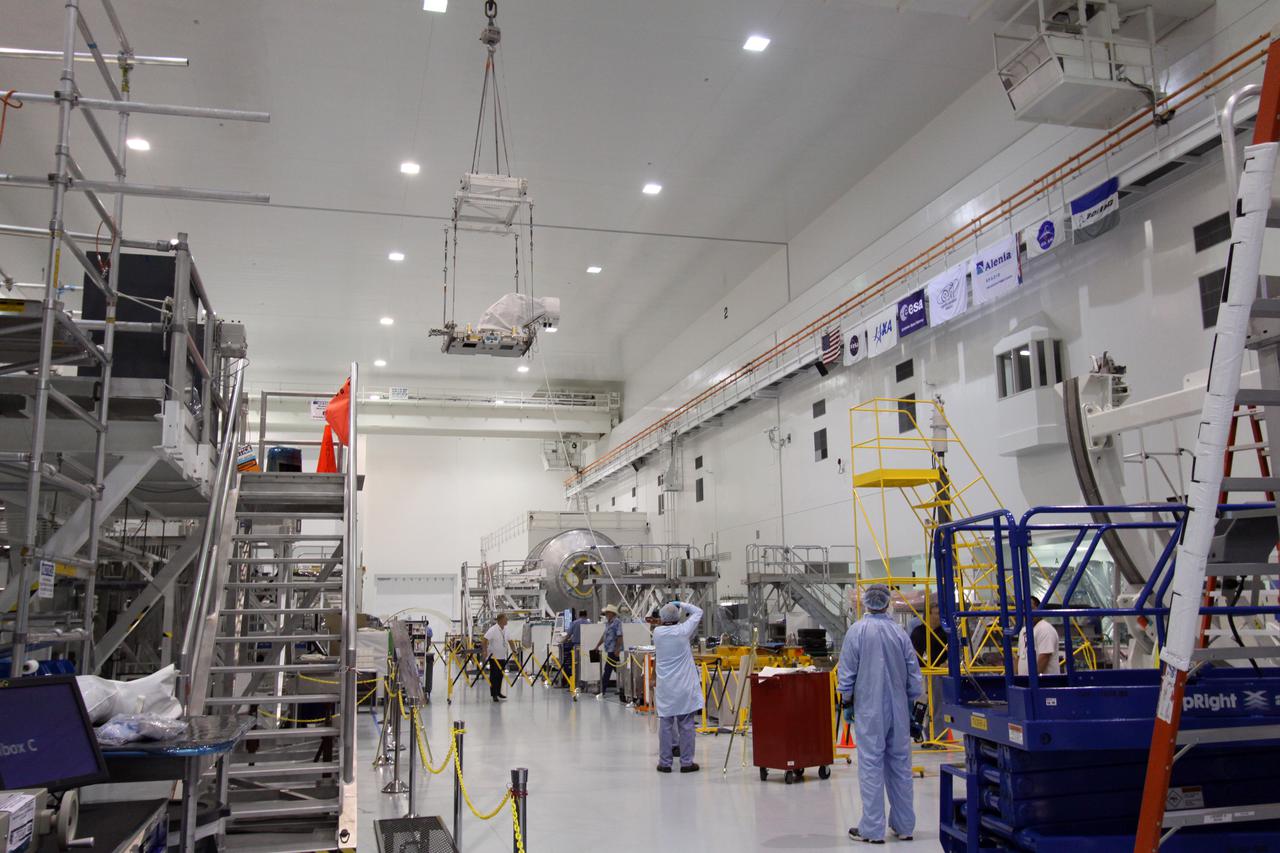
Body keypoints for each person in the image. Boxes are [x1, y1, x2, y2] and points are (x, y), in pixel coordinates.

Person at [838, 584, 925, 844]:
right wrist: (910, 706)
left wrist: (847, 701)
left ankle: (872, 829)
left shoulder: (857, 632)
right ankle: (904, 825)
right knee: (900, 766)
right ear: (887, 604)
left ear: (866, 604)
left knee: (871, 766)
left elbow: (847, 672)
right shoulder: (899, 633)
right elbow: (914, 674)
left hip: (869, 709)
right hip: (899, 711)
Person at [653, 600, 703, 774]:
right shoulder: (683, 631)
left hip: (666, 687)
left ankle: (665, 763)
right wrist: (681, 603)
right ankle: (686, 762)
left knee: (666, 724)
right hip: (684, 687)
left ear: (662, 618)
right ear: (677, 617)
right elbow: (698, 612)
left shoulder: (657, 633)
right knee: (687, 724)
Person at [1015, 596, 1061, 676]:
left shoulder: (1045, 629)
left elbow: (1044, 657)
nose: (1027, 612)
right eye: (1024, 609)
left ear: (1038, 609)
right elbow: (1019, 656)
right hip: (1025, 683)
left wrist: (1033, 680)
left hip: (1043, 684)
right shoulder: (1024, 630)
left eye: (1031, 608)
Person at [594, 603, 628, 702]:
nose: (606, 614)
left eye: (607, 613)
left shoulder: (617, 622)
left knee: (607, 670)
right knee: (617, 670)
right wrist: (597, 645)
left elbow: (620, 636)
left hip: (613, 650)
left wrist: (617, 649)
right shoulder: (608, 623)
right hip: (610, 649)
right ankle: (625, 687)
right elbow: (604, 636)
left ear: (612, 613)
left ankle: (602, 690)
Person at [481, 613, 514, 702]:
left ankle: (499, 692)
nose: (507, 620)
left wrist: (514, 650)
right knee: (494, 676)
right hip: (494, 658)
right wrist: (484, 651)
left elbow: (510, 641)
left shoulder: (506, 629)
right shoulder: (493, 629)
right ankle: (494, 694)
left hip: (502, 657)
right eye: (505, 619)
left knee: (500, 676)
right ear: (500, 620)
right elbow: (484, 640)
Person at [909, 598, 948, 668]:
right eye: (937, 614)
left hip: (941, 673)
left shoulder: (946, 633)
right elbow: (910, 654)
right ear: (928, 615)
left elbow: (953, 653)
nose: (940, 616)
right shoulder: (917, 632)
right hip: (922, 672)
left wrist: (948, 664)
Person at [560, 609, 590, 687]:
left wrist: (563, 641)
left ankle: (576, 683)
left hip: (577, 647)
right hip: (586, 647)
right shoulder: (589, 623)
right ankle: (585, 683)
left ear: (579, 615)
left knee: (576, 665)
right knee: (585, 665)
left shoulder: (575, 623)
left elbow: (568, 634)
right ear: (586, 615)